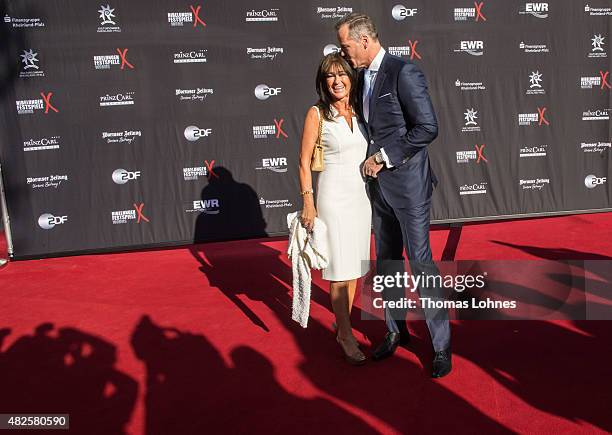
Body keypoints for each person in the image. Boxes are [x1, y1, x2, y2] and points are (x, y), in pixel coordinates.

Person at [336, 13, 452, 377]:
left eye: (346, 46)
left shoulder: (404, 72)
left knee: (420, 262)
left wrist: (384, 157)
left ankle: (441, 345)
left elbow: (427, 128)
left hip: (409, 186)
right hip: (378, 189)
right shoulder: (358, 77)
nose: (343, 53)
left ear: (365, 41)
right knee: (387, 262)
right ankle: (394, 329)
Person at [299, 53, 371, 366]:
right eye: (330, 76)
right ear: (323, 81)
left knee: (354, 269)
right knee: (339, 273)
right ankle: (345, 334)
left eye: (342, 74)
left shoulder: (361, 110)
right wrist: (308, 202)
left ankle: (341, 325)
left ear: (351, 77)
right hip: (332, 198)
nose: (337, 81)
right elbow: (303, 162)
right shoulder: (317, 113)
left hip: (360, 198)